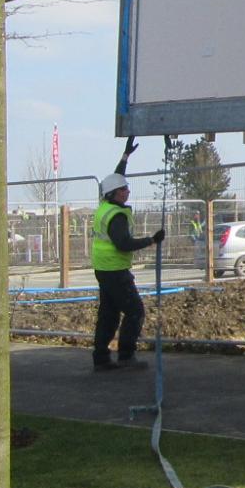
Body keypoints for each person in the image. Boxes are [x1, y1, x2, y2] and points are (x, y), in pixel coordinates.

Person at [92, 142, 165, 372]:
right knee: (135, 311)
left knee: (109, 314)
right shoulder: (117, 216)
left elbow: (115, 178)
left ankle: (101, 358)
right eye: (124, 190)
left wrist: (125, 157)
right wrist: (151, 240)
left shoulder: (105, 205)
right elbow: (123, 244)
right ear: (114, 194)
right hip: (115, 271)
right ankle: (126, 354)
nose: (127, 191)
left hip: (104, 269)